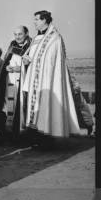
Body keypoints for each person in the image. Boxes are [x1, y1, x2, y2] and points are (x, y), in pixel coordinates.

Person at [20, 10, 80, 143]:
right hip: (34, 79)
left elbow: (52, 61)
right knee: (33, 107)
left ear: (44, 20)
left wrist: (34, 61)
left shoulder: (55, 38)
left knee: (45, 106)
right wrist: (27, 60)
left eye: (36, 19)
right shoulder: (36, 38)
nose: (34, 22)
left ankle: (46, 136)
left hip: (47, 80)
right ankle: (34, 134)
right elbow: (36, 57)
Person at [0, 26, 31, 142]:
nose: (17, 37)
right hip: (9, 81)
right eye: (15, 34)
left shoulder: (31, 46)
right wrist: (6, 67)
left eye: (20, 34)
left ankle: (19, 134)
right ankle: (6, 133)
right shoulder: (12, 45)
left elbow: (33, 65)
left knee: (21, 107)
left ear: (26, 33)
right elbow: (6, 61)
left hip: (22, 82)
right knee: (7, 107)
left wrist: (21, 68)